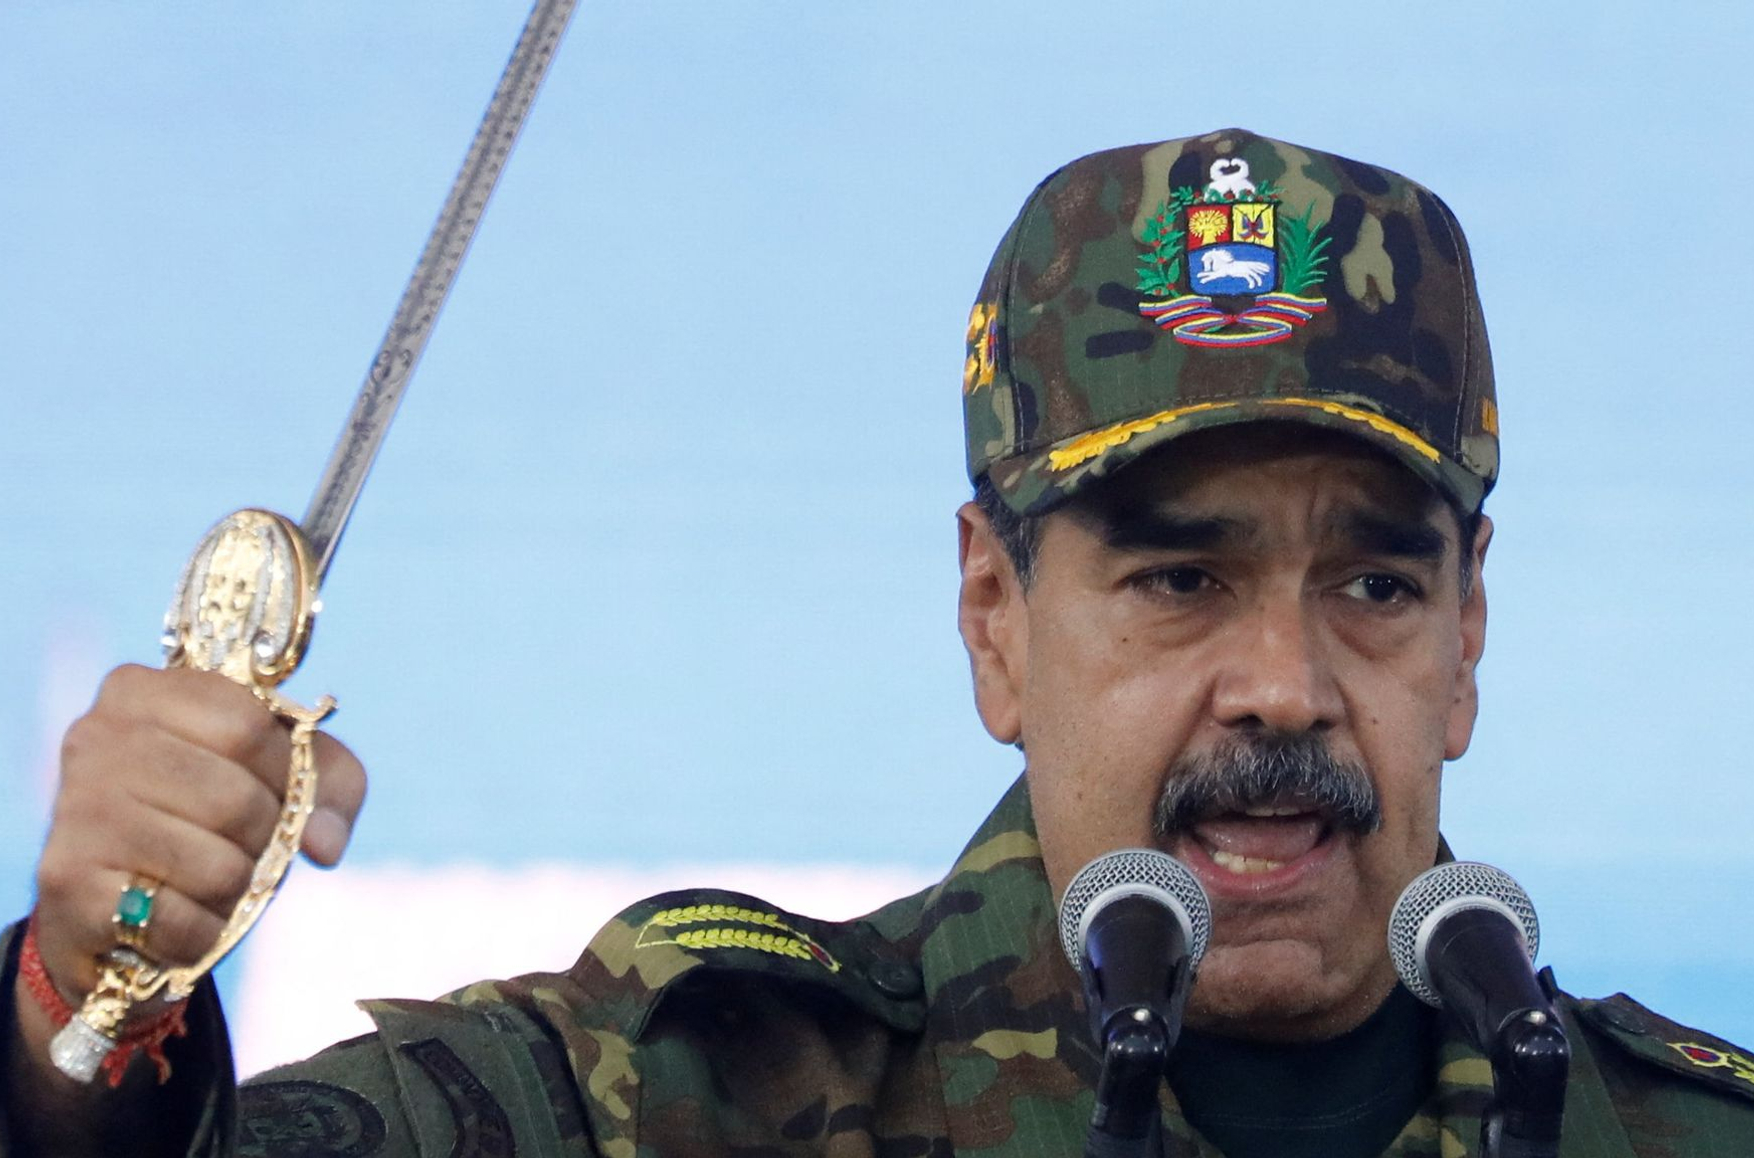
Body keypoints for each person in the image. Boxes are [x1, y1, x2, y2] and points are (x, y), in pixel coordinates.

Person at [4, 127, 1752, 1158]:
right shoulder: (682, 1096)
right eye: (1177, 580)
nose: (1283, 685)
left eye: (1372, 587)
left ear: (1466, 634)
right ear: (993, 617)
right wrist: (92, 1007)